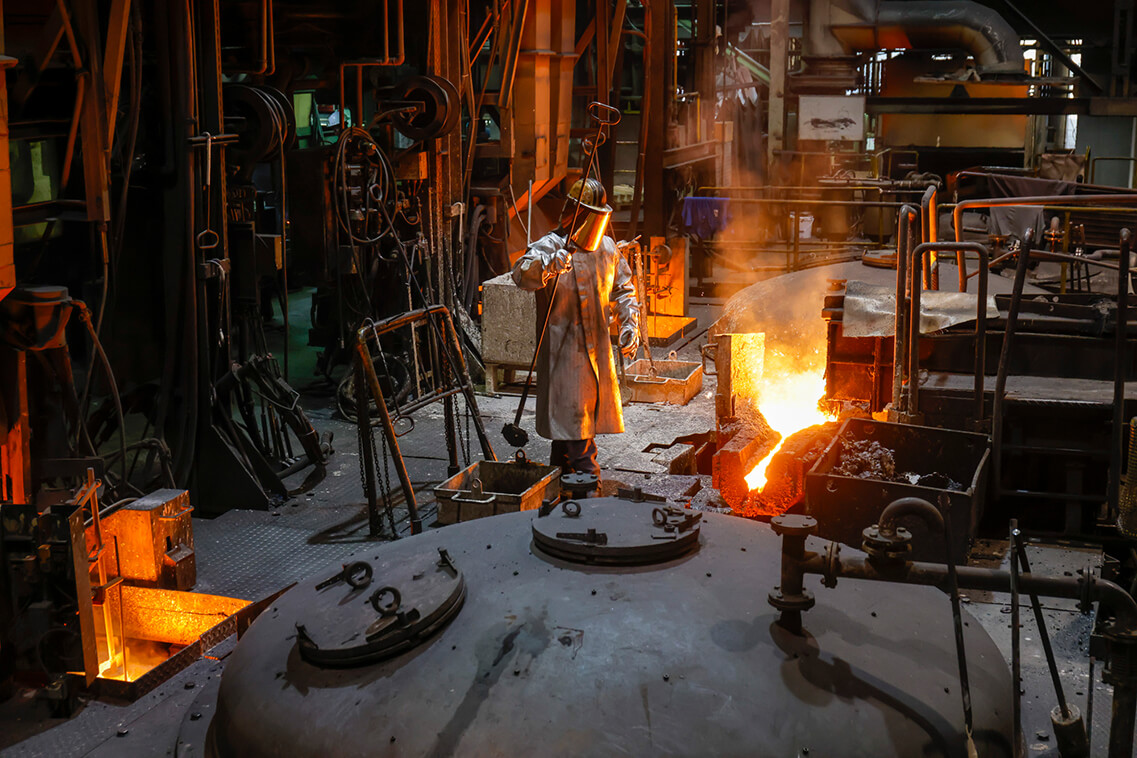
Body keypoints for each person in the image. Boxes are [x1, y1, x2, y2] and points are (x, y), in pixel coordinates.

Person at [510, 178, 640, 480]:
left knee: (569, 431)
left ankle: (559, 483)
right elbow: (521, 274)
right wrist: (548, 265)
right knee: (577, 430)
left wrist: (629, 323)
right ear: (574, 213)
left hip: (597, 353)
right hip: (564, 354)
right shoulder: (550, 247)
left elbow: (624, 289)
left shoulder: (606, 248)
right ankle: (588, 494)